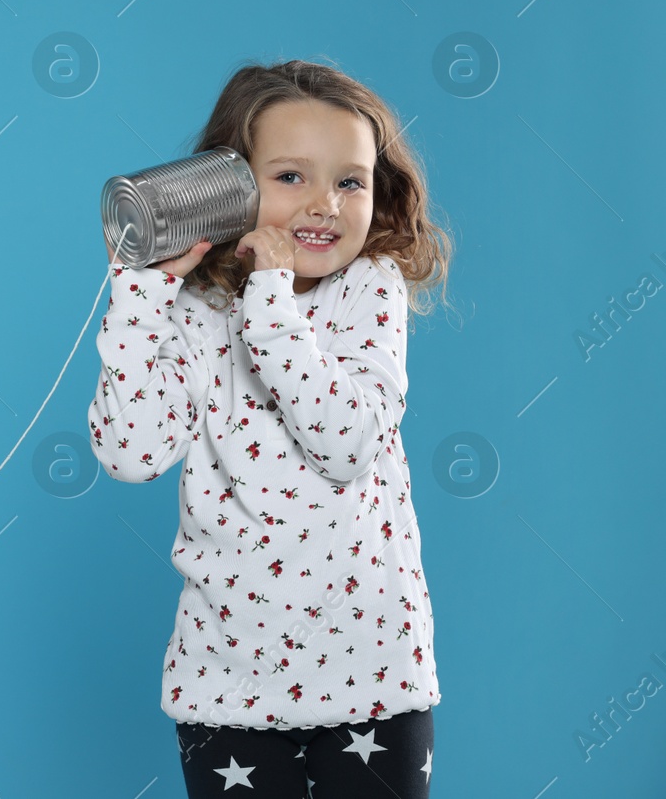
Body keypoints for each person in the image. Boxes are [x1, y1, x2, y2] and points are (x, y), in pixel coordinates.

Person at [89, 60, 453, 798]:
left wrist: (271, 303)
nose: (324, 203)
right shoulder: (195, 312)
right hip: (230, 682)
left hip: (371, 671)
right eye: (292, 177)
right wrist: (140, 295)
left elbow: (348, 442)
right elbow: (132, 454)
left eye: (350, 181)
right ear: (230, 185)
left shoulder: (367, 289)